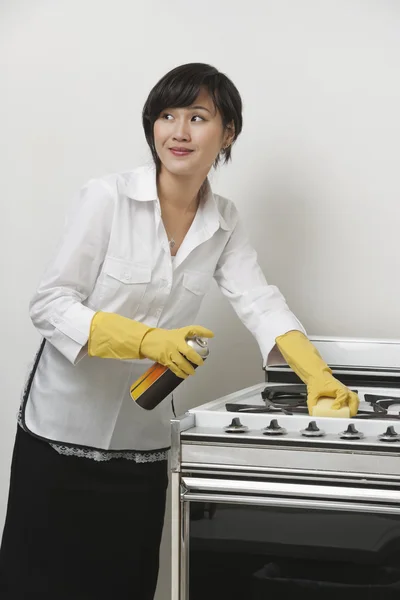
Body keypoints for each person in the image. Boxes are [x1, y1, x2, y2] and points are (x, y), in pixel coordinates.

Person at [0, 62, 359, 600]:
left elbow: (259, 300)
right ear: (151, 126)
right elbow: (50, 305)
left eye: (198, 117)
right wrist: (144, 340)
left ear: (228, 133)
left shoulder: (225, 220)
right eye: (167, 116)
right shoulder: (108, 197)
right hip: (59, 434)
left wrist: (316, 373)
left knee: (125, 584)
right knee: (35, 584)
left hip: (142, 444)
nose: (180, 131)